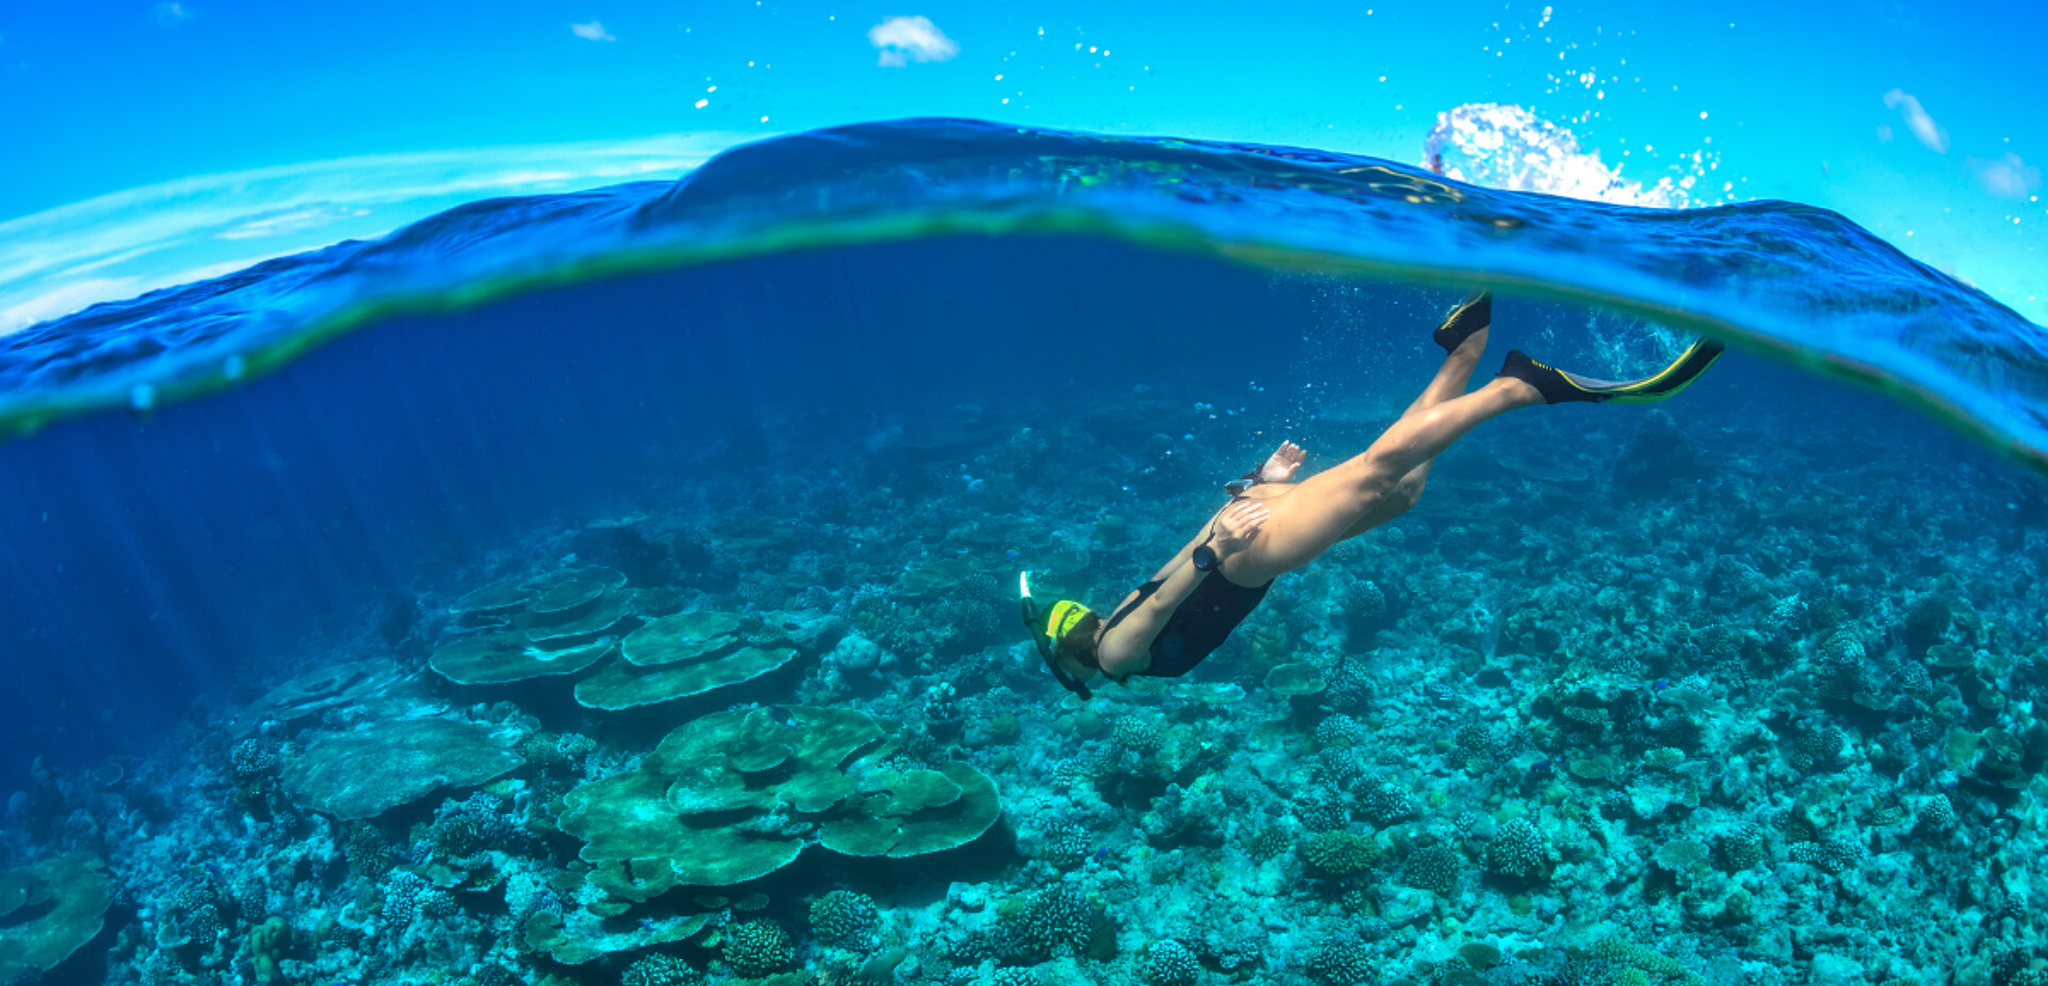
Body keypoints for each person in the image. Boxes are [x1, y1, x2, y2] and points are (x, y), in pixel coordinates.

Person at [1020, 291, 1724, 699]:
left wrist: (1223, 539)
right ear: (1064, 637)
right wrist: (1244, 506)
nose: (1074, 608)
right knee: (1400, 493)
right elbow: (1166, 580)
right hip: (1240, 548)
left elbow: (1174, 587)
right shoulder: (1112, 638)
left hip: (1245, 558)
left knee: (1377, 470)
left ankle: (1521, 386)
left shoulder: (1113, 651)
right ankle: (1464, 353)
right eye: (1062, 613)